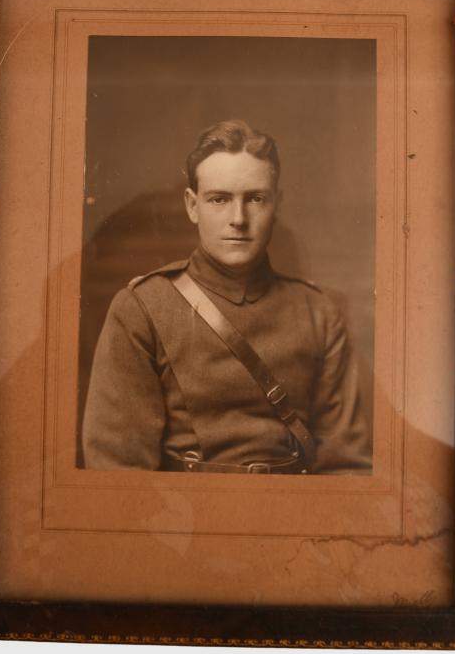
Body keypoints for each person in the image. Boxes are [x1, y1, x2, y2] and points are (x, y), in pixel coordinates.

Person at [81, 119, 370, 474]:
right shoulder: (142, 309)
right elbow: (117, 472)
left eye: (255, 199)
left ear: (277, 205)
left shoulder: (318, 313)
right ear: (192, 206)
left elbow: (347, 467)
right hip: (177, 508)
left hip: (296, 507)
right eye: (219, 199)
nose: (238, 219)